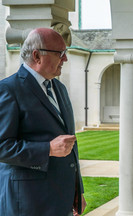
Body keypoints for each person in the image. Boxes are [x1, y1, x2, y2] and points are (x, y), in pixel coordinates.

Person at [0, 28, 86, 216]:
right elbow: (2, 146)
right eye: (60, 53)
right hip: (28, 202)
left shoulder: (60, 88)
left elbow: (70, 143)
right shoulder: (8, 90)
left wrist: (77, 190)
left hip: (61, 199)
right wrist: (47, 149)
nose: (65, 59)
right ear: (37, 55)